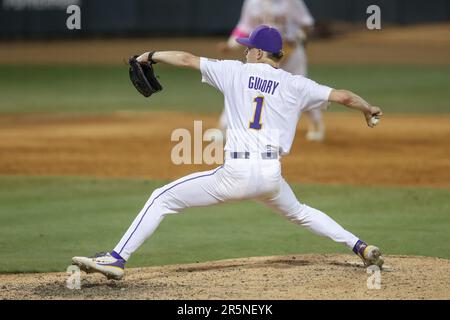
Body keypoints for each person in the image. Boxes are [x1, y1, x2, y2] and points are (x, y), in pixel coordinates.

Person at [72, 25, 384, 280]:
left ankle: (117, 258)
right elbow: (343, 96)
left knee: (162, 197)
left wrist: (148, 55)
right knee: (300, 212)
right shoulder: (296, 84)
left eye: (248, 48)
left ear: (259, 53)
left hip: (235, 174)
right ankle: (360, 246)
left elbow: (183, 58)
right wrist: (368, 109)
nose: (245, 51)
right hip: (270, 177)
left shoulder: (234, 71)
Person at [217, 0, 326, 141]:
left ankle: (316, 122)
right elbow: (244, 26)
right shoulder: (252, 3)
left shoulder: (291, 2)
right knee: (243, 86)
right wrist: (231, 44)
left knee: (300, 89)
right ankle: (224, 127)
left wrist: (294, 42)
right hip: (261, 53)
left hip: (291, 54)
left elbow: (306, 24)